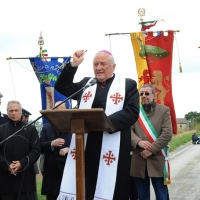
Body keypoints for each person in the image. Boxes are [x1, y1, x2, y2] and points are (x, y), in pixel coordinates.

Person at [55, 50, 139, 200]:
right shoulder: (86, 84)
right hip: (86, 146)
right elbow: (62, 87)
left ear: (113, 66)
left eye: (103, 64)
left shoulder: (128, 85)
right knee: (87, 187)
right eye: (95, 64)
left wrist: (104, 121)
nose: (98, 67)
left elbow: (131, 112)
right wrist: (73, 65)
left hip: (114, 146)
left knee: (113, 189)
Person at [130, 84, 172, 200]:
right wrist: (138, 142)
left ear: (154, 95)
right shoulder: (135, 111)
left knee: (161, 196)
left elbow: (167, 134)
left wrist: (151, 149)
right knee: (142, 197)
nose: (144, 96)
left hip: (157, 159)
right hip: (139, 159)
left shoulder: (164, 110)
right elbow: (128, 132)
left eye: (147, 93)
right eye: (141, 94)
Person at [0, 100, 41, 200]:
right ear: (7, 112)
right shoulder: (1, 129)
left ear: (21, 111)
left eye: (16, 110)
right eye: (11, 110)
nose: (14, 113)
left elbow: (36, 150)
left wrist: (22, 163)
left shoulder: (30, 129)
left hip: (25, 179)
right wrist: (7, 165)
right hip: (6, 179)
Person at [40, 101, 72, 200]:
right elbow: (39, 146)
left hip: (68, 173)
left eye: (63, 112)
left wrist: (69, 150)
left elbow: (82, 147)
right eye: (58, 111)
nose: (60, 114)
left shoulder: (74, 128)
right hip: (51, 174)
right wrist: (51, 144)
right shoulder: (46, 128)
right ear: (53, 112)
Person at [21, 108, 39, 200]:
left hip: (29, 164)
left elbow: (35, 149)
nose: (26, 119)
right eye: (25, 117)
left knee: (32, 193)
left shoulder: (30, 129)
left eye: (26, 117)